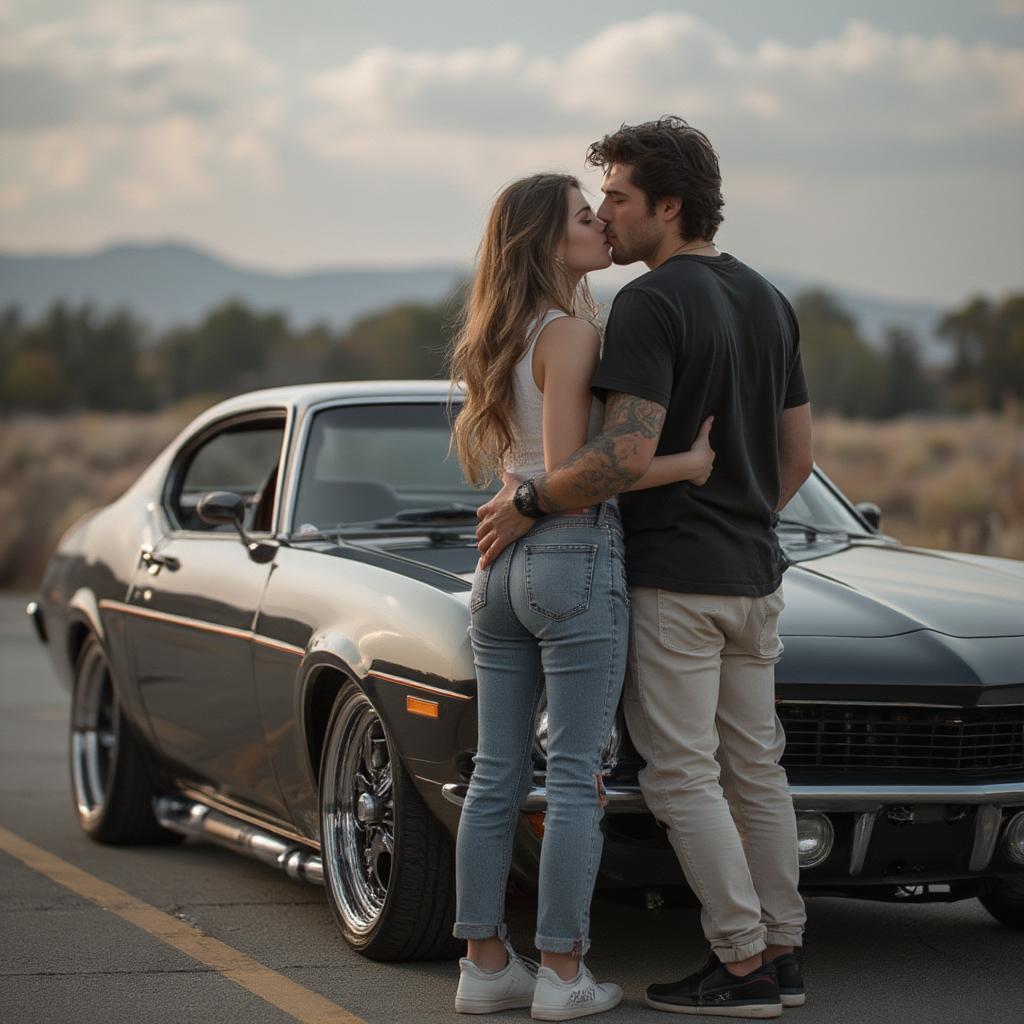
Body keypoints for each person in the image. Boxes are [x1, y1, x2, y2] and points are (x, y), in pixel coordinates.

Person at [476, 118, 814, 1018]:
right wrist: (741, 519)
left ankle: (740, 962)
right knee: (755, 770)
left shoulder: (652, 303)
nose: (610, 217)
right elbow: (798, 455)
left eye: (620, 200)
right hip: (756, 574)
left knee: (678, 775)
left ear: (669, 207)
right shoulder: (770, 299)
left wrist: (528, 501)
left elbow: (619, 459)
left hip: (675, 576)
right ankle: (782, 953)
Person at [447, 171, 716, 1020]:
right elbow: (570, 475)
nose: (600, 221)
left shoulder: (501, 334)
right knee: (572, 778)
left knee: (495, 774)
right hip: (570, 554)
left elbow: (523, 470)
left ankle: (485, 965)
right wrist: (685, 463)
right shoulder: (568, 333)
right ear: (545, 242)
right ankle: (563, 975)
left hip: (499, 569)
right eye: (580, 216)